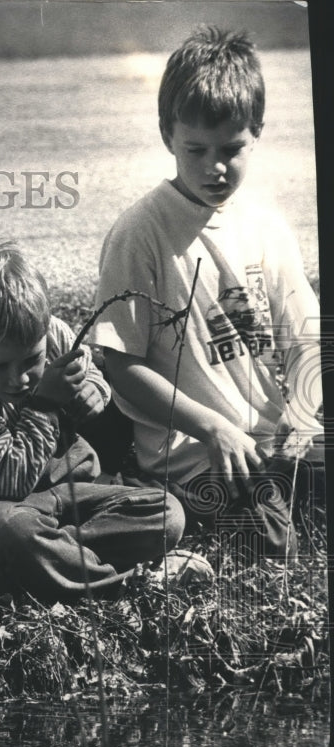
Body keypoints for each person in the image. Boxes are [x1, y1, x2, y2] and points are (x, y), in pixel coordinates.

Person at [91, 27, 323, 563]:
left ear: (256, 132)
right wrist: (213, 427)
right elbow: (119, 366)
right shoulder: (141, 233)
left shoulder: (266, 225)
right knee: (270, 543)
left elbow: (307, 337)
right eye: (196, 149)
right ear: (167, 134)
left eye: (232, 149)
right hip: (196, 457)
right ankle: (180, 523)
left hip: (272, 440)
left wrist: (308, 415)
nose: (214, 167)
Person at [0, 241, 198, 601]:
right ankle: (130, 582)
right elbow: (9, 481)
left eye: (31, 360)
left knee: (166, 513)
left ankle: (12, 575)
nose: (19, 379)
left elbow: (89, 371)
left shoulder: (52, 334)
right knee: (17, 535)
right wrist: (45, 405)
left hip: (62, 491)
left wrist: (94, 391)